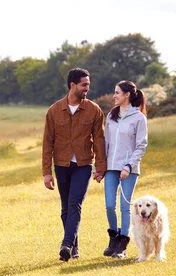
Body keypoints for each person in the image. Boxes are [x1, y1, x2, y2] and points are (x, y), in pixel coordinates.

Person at [42, 68, 106, 262]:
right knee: (65, 208)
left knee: (74, 204)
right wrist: (46, 172)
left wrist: (100, 168)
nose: (87, 88)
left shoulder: (94, 110)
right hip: (61, 164)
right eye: (84, 84)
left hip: (84, 164)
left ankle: (67, 244)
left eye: (88, 84)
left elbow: (99, 140)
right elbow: (47, 143)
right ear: (73, 85)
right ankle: (74, 247)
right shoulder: (54, 111)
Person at [102, 80, 148, 259]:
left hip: (129, 168)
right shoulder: (111, 116)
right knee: (109, 205)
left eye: (117, 93)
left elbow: (141, 145)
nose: (114, 96)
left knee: (125, 207)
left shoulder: (139, 118)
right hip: (111, 168)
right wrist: (100, 167)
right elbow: (106, 143)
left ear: (127, 94)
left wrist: (129, 166)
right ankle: (113, 238)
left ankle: (122, 244)